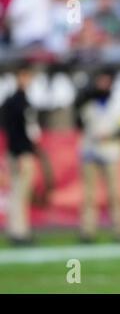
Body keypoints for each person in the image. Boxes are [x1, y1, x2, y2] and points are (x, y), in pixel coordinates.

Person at [75, 67, 120, 242]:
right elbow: (79, 121)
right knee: (89, 194)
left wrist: (113, 134)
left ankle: (119, 230)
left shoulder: (119, 100)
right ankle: (88, 230)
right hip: (90, 148)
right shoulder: (88, 100)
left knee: (115, 193)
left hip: (111, 149)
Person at [1, 63, 38, 245]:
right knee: (19, 193)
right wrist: (22, 153)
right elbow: (18, 132)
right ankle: (19, 232)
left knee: (17, 193)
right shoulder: (18, 102)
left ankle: (17, 230)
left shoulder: (12, 101)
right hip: (20, 152)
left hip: (15, 151)